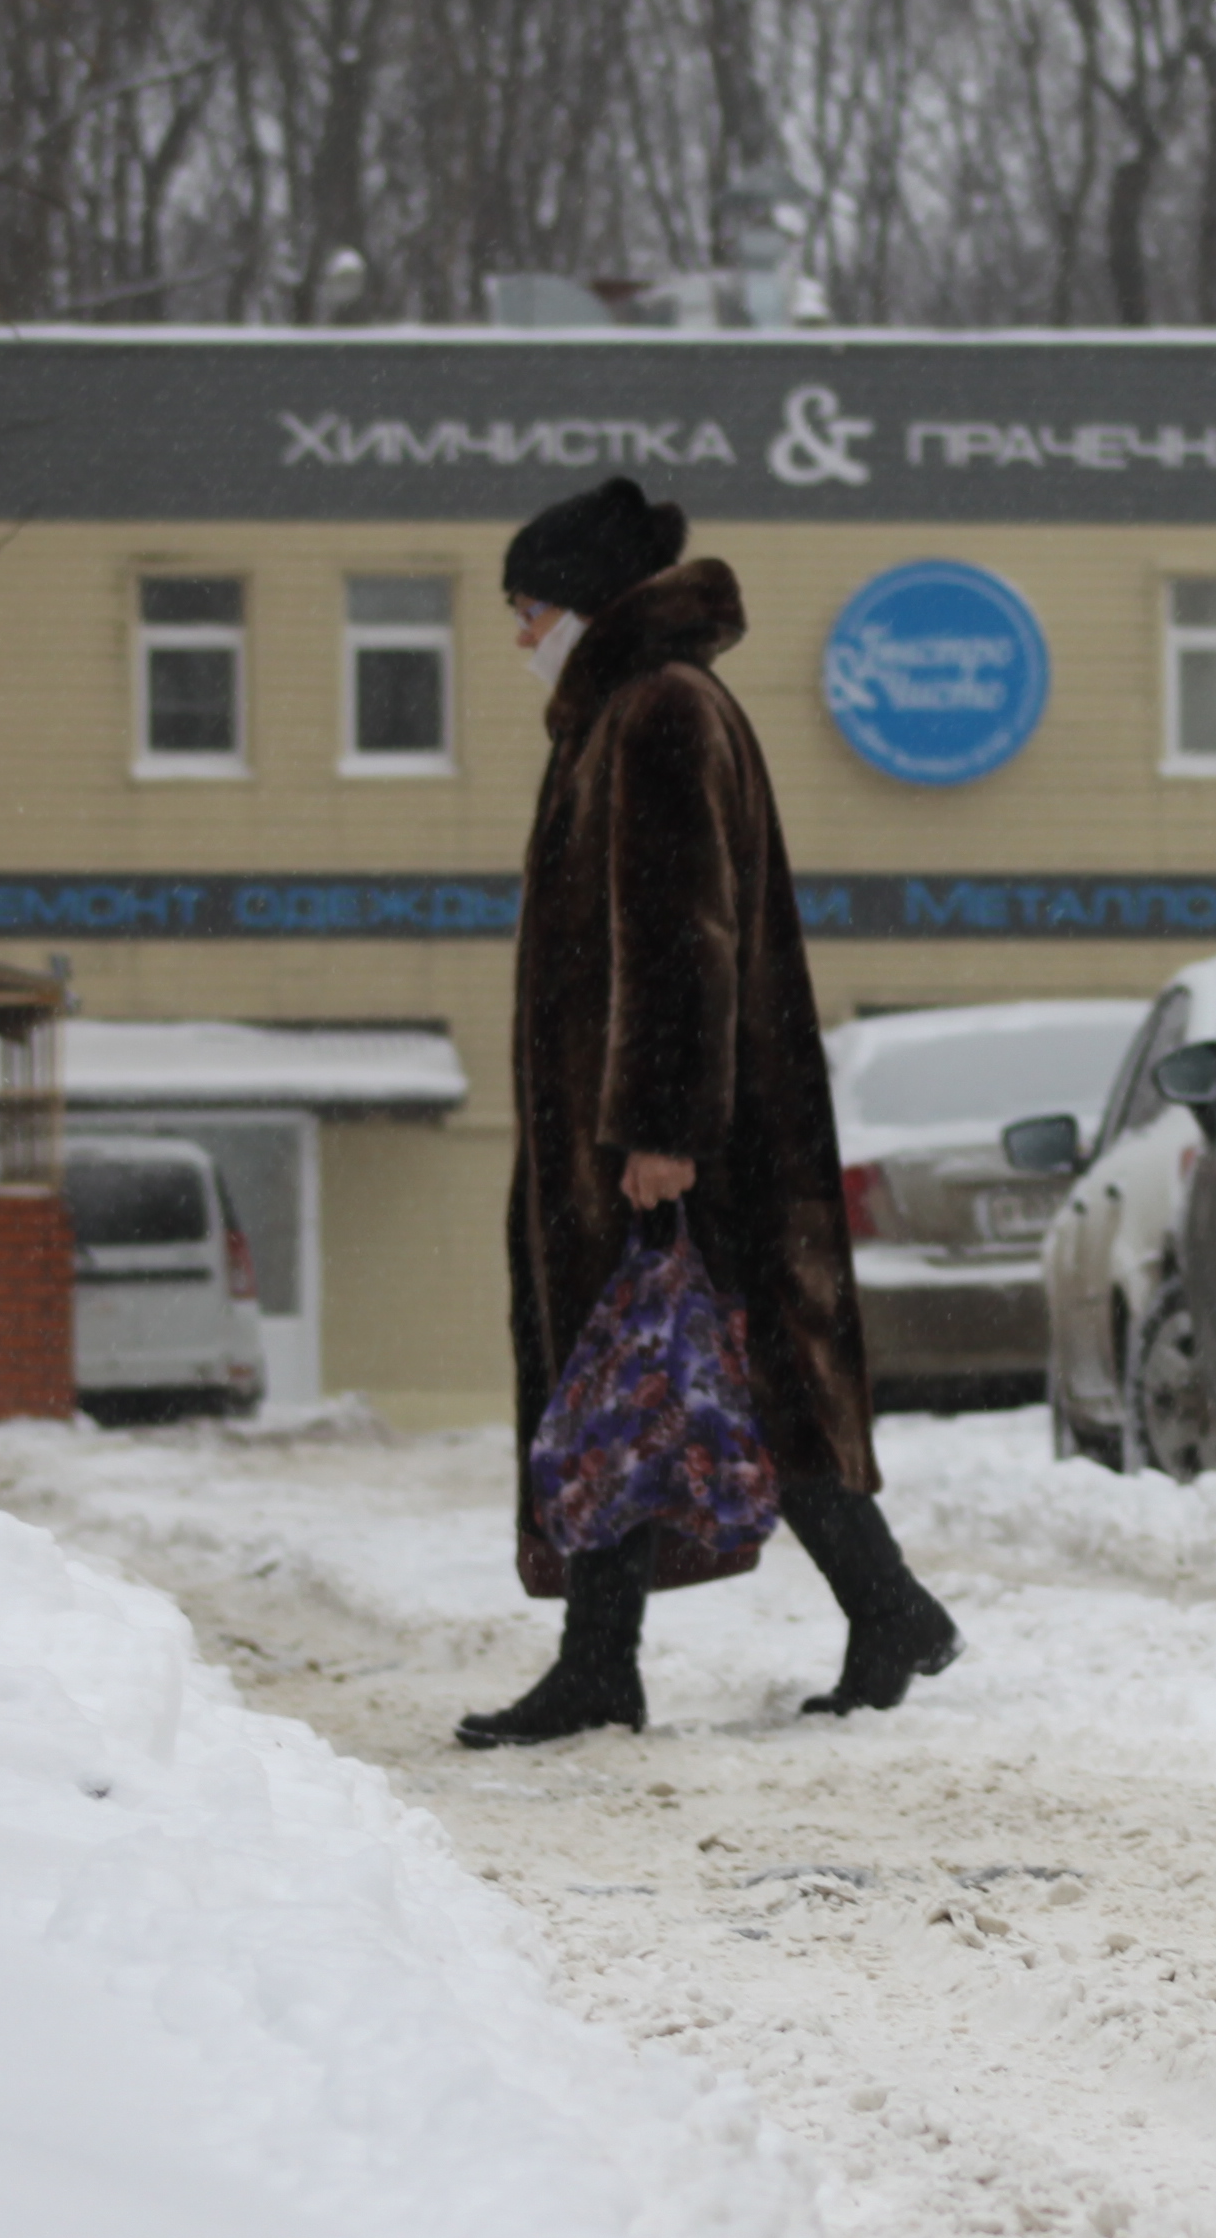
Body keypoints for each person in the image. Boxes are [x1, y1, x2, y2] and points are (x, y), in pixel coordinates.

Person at [460, 474, 960, 1744]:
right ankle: (639, 1653)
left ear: (579, 603)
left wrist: (659, 1130)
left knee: (689, 1370)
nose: (521, 638)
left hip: (679, 1141)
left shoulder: (658, 712)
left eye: (527, 611)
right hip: (663, 1134)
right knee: (654, 1379)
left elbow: (683, 937)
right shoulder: (635, 711)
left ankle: (837, 1615)